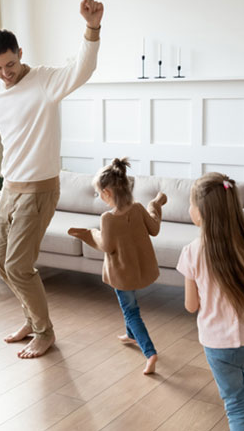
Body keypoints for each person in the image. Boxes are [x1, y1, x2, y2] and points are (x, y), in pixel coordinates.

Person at [0, 0, 104, 358]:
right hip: (10, 189)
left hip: (40, 189)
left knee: (17, 264)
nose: (5, 73)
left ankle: (44, 332)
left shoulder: (46, 81)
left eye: (10, 64)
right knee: (1, 262)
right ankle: (32, 321)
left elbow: (83, 69)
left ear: (20, 52)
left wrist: (92, 28)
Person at [176, 172, 244, 431]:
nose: (189, 209)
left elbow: (191, 306)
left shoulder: (192, 252)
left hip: (218, 344)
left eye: (191, 204)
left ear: (200, 213)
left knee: (236, 403)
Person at [68, 158, 167, 374]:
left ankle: (150, 353)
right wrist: (156, 205)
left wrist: (88, 233)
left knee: (130, 310)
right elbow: (154, 228)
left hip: (122, 274)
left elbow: (106, 246)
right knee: (128, 305)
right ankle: (131, 335)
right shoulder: (139, 208)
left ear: (107, 193)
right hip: (138, 268)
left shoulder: (107, 219)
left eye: (99, 193)